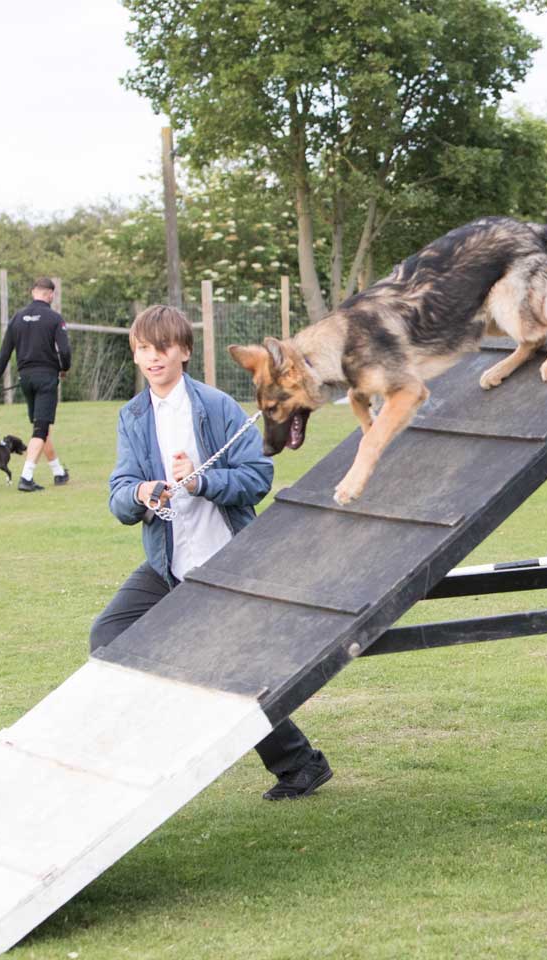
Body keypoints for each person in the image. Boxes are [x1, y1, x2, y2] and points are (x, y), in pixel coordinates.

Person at [91, 304, 332, 801]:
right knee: (109, 634)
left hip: (226, 558)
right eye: (142, 349)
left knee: (230, 671)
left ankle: (301, 764)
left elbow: (257, 477)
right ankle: (170, 733)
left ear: (183, 351)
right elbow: (119, 490)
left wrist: (199, 480)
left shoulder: (217, 406)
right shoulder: (131, 415)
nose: (151, 358)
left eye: (161, 349)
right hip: (167, 562)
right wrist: (140, 494)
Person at [0, 277, 71, 491]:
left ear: (33, 292)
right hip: (46, 378)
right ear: (51, 294)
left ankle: (58, 472)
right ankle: (26, 478)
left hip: (26, 379)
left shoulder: (17, 318)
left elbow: (4, 354)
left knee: (40, 425)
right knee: (40, 429)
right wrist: (64, 368)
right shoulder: (54, 318)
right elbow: (65, 350)